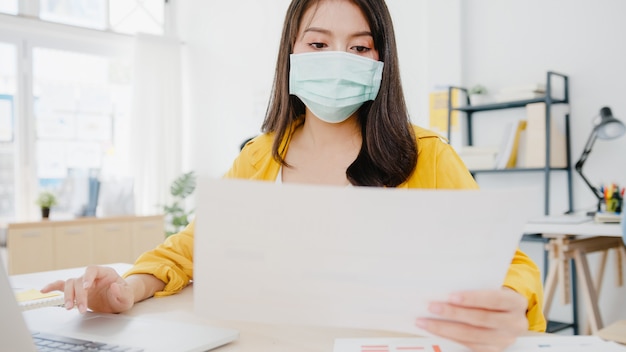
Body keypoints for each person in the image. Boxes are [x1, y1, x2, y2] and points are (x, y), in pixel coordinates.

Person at [42, 0, 546, 350]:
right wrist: (126, 290)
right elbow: (188, 249)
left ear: (380, 62)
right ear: (291, 55)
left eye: (359, 48)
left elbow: (509, 261)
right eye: (319, 43)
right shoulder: (259, 157)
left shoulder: (427, 156)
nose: (337, 61)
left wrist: (506, 299)